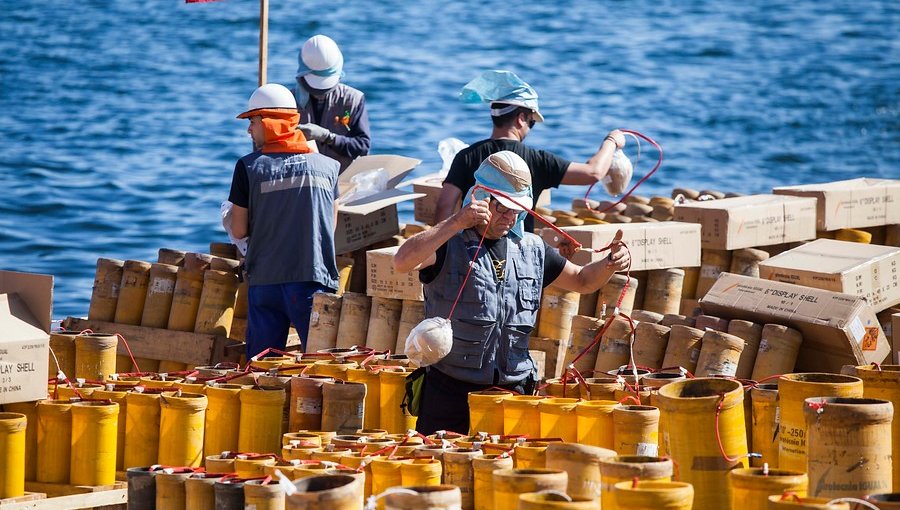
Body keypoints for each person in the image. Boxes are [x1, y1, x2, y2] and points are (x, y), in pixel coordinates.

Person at [393, 150, 630, 435]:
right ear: (480, 198)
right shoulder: (448, 244)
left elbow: (582, 281)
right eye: (501, 207)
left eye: (516, 209)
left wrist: (610, 264)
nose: (509, 216)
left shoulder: (532, 249)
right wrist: (456, 221)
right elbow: (402, 261)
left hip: (513, 392)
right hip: (451, 392)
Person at [434, 70, 627, 232]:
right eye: (531, 122)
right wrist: (611, 140)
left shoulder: (466, 156)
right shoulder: (536, 160)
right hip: (517, 259)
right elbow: (593, 173)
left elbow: (444, 207)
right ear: (520, 118)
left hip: (471, 255)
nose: (530, 128)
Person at [227, 83, 340, 358]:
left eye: (252, 121)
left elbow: (239, 229)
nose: (248, 130)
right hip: (314, 279)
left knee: (262, 373)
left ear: (268, 122)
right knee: (320, 365)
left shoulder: (249, 167)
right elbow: (330, 225)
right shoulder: (328, 167)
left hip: (266, 282)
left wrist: (227, 217)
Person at [291, 34, 370, 172]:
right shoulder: (288, 102)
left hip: (342, 183)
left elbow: (362, 146)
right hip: (303, 185)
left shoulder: (352, 100)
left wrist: (329, 137)